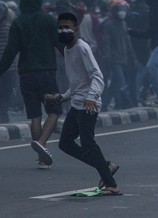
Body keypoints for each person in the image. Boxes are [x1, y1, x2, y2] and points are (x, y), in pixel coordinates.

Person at [44, 12, 120, 195]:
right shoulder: (66, 50)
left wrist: (91, 97)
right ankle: (106, 166)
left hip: (89, 104)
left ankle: (112, 185)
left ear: (76, 29)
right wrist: (62, 97)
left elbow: (97, 76)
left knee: (88, 144)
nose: (63, 30)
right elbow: (78, 83)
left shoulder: (82, 47)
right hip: (78, 103)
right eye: (60, 27)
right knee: (65, 143)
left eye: (67, 27)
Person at [0, 0, 62, 168]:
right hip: (47, 74)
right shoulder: (48, 20)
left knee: (34, 115)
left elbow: (10, 52)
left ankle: (42, 158)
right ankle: (42, 144)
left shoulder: (17, 22)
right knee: (54, 112)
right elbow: (61, 44)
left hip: (27, 75)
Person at [101, 0, 138, 109]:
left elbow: (128, 43)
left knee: (115, 84)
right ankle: (129, 103)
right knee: (122, 82)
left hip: (124, 58)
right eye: (119, 10)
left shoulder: (124, 24)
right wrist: (107, 57)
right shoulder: (109, 25)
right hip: (114, 59)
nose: (122, 12)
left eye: (124, 10)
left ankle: (104, 104)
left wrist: (134, 57)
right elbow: (106, 43)